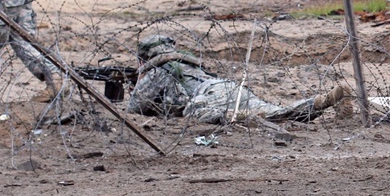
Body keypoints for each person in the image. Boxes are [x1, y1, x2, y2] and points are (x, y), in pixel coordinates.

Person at [127, 35, 345, 123]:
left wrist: (140, 78)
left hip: (207, 96)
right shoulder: (188, 63)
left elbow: (135, 107)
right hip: (228, 87)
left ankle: (234, 117)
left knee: (195, 114)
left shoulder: (158, 70)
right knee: (276, 113)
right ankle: (317, 102)